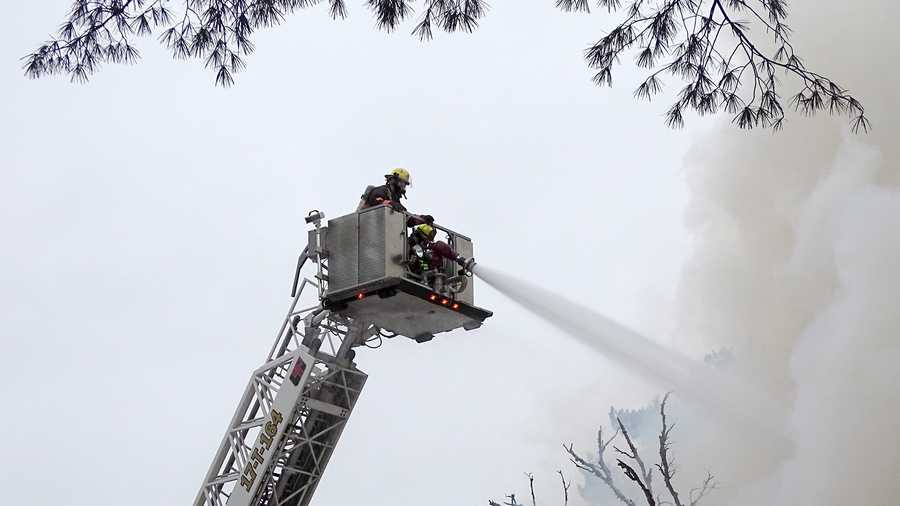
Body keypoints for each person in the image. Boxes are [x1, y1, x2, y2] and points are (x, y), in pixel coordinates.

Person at [357, 168, 433, 226]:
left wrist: (422, 219)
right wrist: (390, 203)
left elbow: (406, 218)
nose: (403, 187)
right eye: (402, 183)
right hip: (369, 226)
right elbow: (376, 201)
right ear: (394, 180)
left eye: (405, 185)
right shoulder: (381, 190)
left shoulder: (395, 200)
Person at [407, 223, 472, 278]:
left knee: (439, 245)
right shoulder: (410, 242)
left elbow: (438, 247)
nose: (431, 238)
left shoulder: (427, 246)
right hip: (415, 267)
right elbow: (417, 254)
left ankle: (459, 259)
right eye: (429, 235)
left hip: (428, 269)